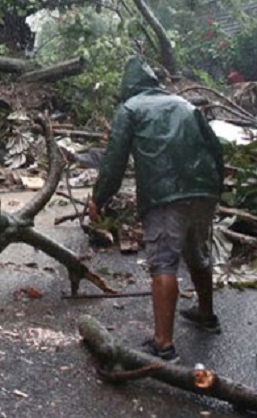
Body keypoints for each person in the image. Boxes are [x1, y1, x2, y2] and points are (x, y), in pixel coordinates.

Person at [88, 57, 225, 362]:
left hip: (165, 195)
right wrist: (215, 189)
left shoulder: (130, 109)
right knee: (198, 252)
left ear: (128, 88)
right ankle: (206, 314)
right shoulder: (186, 106)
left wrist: (99, 198)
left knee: (163, 263)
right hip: (204, 190)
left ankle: (163, 344)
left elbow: (114, 161)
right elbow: (215, 149)